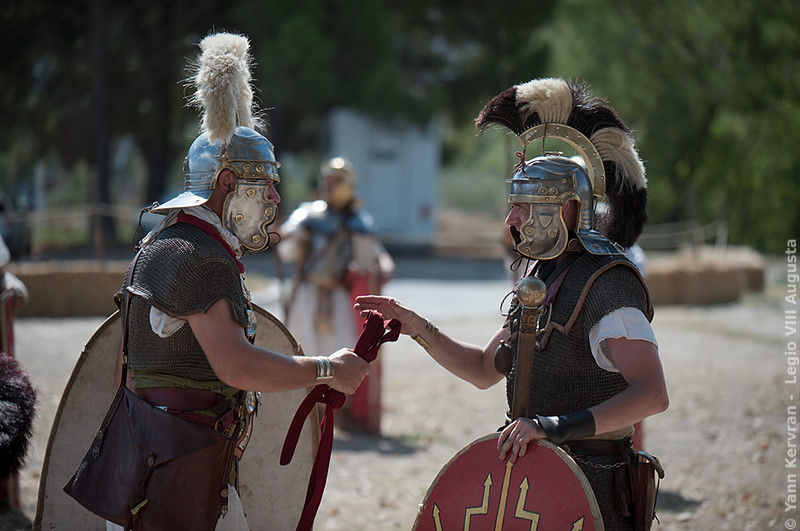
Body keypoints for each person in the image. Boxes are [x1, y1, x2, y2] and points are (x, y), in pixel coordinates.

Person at [356, 78, 668, 529]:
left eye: (524, 205)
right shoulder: (541, 277)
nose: (511, 219)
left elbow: (652, 393)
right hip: (534, 484)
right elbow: (485, 368)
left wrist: (551, 426)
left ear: (566, 208)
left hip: (593, 487)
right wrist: (417, 326)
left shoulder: (608, 285)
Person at [116, 32, 369, 530]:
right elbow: (237, 367)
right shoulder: (200, 257)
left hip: (148, 457)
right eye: (265, 184)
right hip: (178, 471)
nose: (274, 197)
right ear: (228, 183)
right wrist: (327, 369)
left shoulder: (164, 241)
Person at [278, 158, 393, 432]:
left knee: (342, 351)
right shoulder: (309, 214)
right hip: (308, 294)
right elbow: (286, 249)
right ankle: (307, 418)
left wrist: (381, 267)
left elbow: (369, 259)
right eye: (327, 181)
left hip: (339, 295)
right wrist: (294, 236)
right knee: (303, 350)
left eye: (335, 181)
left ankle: (337, 414)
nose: (330, 186)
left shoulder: (358, 221)